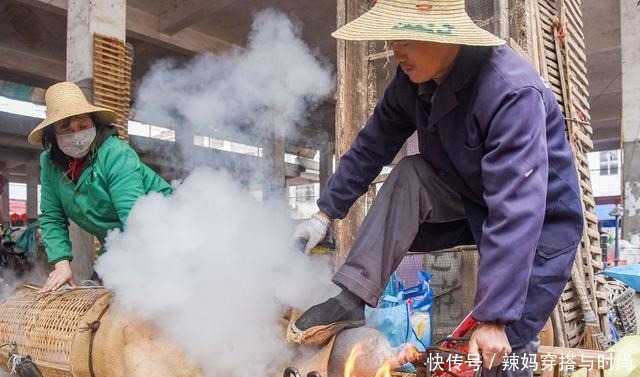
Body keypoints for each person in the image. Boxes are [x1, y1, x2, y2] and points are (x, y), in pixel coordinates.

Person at [291, 1, 584, 375]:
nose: (395, 51)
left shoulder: (511, 92)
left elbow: (516, 208)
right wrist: (324, 214)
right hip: (470, 197)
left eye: (406, 39)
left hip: (536, 223)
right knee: (410, 173)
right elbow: (371, 145)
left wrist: (494, 316)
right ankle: (353, 297)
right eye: (392, 39)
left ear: (447, 38)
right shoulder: (412, 84)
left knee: (502, 349)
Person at [28, 82, 173, 292]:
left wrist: (144, 272)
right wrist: (61, 265)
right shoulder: (49, 163)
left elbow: (134, 219)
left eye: (83, 126)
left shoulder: (115, 153)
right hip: (118, 244)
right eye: (67, 129)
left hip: (162, 234)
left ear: (94, 123)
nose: (76, 134)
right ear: (52, 135)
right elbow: (52, 217)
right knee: (97, 299)